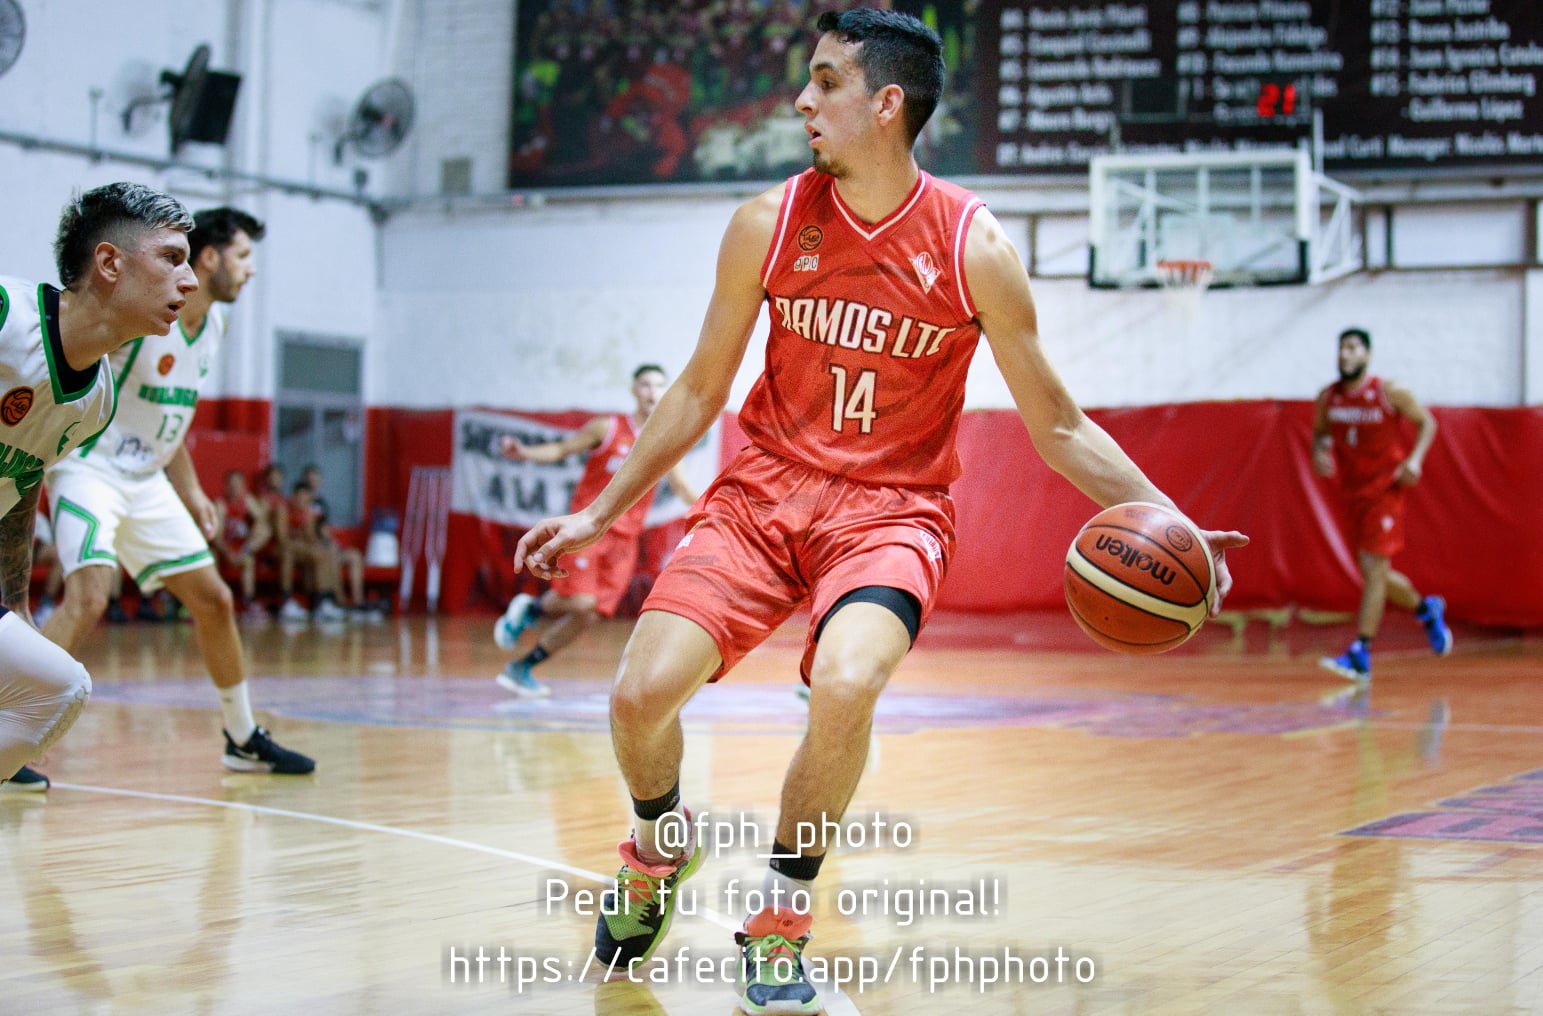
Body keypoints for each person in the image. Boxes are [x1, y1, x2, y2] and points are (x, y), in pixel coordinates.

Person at [512, 11, 1248, 1013]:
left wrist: (1167, 517)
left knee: (848, 679)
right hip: (761, 493)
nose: (802, 101)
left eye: (824, 82)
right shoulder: (765, 222)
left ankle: (778, 921)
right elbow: (693, 390)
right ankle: (655, 851)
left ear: (885, 102)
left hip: (891, 510)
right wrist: (601, 511)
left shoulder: (971, 242)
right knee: (639, 696)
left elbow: (1058, 422)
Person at [43, 206, 314, 776]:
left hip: (147, 480)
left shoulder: (213, 323)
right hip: (91, 469)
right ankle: (9, 727)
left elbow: (175, 418)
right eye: (243, 256)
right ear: (209, 258)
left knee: (214, 600)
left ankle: (241, 736)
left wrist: (190, 491)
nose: (251, 271)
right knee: (90, 597)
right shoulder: (141, 319)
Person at [2, 182, 197, 793]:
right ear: (110, 263)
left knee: (57, 686)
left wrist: (17, 604)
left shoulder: (97, 401)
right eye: (172, 258)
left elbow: (21, 487)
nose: (188, 281)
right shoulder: (7, 316)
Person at [493, 364, 698, 698]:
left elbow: (683, 487)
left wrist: (715, 513)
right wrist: (524, 453)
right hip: (591, 530)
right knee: (581, 601)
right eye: (645, 384)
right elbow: (561, 450)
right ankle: (530, 609)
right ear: (634, 390)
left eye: (660, 385)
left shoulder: (665, 438)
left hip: (625, 541)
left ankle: (521, 667)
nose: (652, 392)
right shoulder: (608, 428)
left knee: (590, 615)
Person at [1314, 327, 1451, 682]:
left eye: (1353, 348)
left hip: (1386, 490)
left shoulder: (1389, 391)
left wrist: (1416, 460)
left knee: (1374, 570)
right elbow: (1319, 434)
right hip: (1353, 494)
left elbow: (1427, 423)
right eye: (1341, 347)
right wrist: (1319, 452)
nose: (1345, 354)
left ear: (1367, 355)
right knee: (1376, 576)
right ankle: (1427, 609)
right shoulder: (1329, 398)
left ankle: (1361, 651)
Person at [211, 468, 273, 623]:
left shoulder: (248, 502)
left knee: (252, 554)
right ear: (225, 486)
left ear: (243, 486)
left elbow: (263, 527)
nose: (234, 488)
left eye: (238, 485)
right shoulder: (220, 504)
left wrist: (245, 548)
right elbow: (216, 538)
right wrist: (227, 553)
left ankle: (248, 604)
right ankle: (214, 602)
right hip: (223, 550)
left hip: (242, 548)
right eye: (231, 485)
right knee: (210, 557)